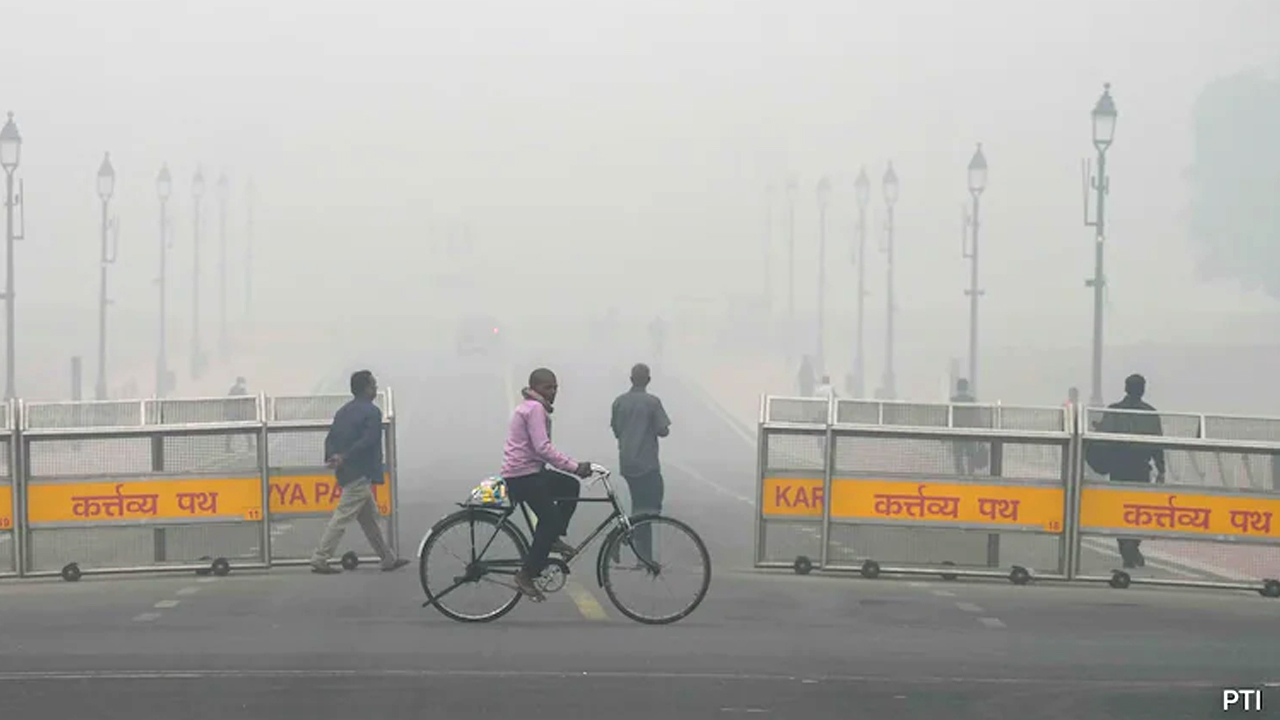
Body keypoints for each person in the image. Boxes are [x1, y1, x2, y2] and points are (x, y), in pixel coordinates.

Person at [501, 368, 594, 601]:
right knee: (550, 519)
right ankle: (526, 574)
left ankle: (552, 538)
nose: (553, 392)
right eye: (548, 387)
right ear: (534, 388)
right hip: (523, 476)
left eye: (555, 388)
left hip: (529, 472)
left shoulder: (532, 407)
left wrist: (571, 471)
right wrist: (575, 466)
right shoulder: (534, 409)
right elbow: (542, 448)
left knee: (569, 487)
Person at [309, 370, 408, 575]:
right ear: (366, 388)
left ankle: (387, 558)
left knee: (369, 519)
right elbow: (369, 440)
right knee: (342, 517)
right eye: (373, 385)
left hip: (346, 472)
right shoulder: (372, 412)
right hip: (360, 473)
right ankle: (320, 558)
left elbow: (331, 438)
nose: (376, 388)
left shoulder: (343, 411)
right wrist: (345, 456)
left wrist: (333, 457)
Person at [1089, 373, 1166, 569]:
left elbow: (1103, 437)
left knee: (1119, 509)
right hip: (1140, 468)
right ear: (1143, 389)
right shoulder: (1150, 413)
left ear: (1125, 388)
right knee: (1138, 510)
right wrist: (1161, 470)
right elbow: (1158, 445)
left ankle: (1126, 547)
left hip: (1118, 468)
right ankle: (1131, 545)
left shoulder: (1114, 411)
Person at [610, 363, 672, 564]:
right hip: (647, 463)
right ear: (648, 380)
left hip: (627, 462)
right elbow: (663, 430)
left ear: (631, 379)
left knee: (639, 506)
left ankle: (641, 555)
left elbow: (616, 429)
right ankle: (622, 538)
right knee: (650, 509)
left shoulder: (619, 402)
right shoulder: (652, 402)